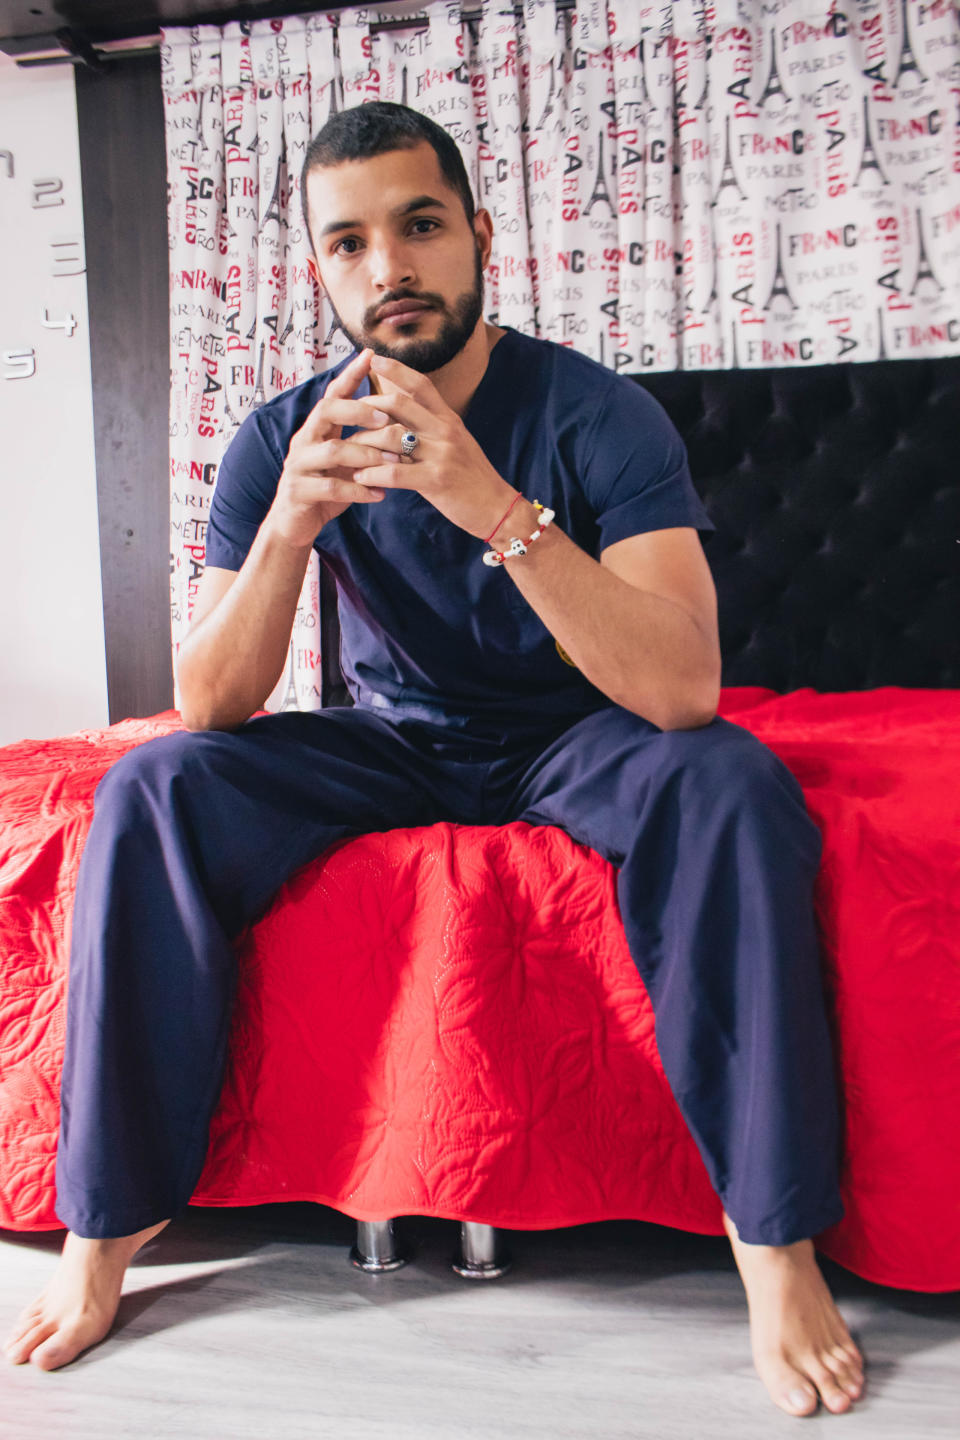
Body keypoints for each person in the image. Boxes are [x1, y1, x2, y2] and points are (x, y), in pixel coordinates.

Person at [4, 101, 864, 1417]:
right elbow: (210, 705)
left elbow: (683, 686)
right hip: (396, 742)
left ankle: (775, 1244)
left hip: (582, 733)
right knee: (152, 788)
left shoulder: (598, 415)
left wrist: (491, 505)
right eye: (348, 243)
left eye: (418, 226)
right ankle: (105, 1231)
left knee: (736, 786)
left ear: (479, 236)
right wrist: (288, 527)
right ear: (319, 268)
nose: (389, 267)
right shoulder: (283, 435)